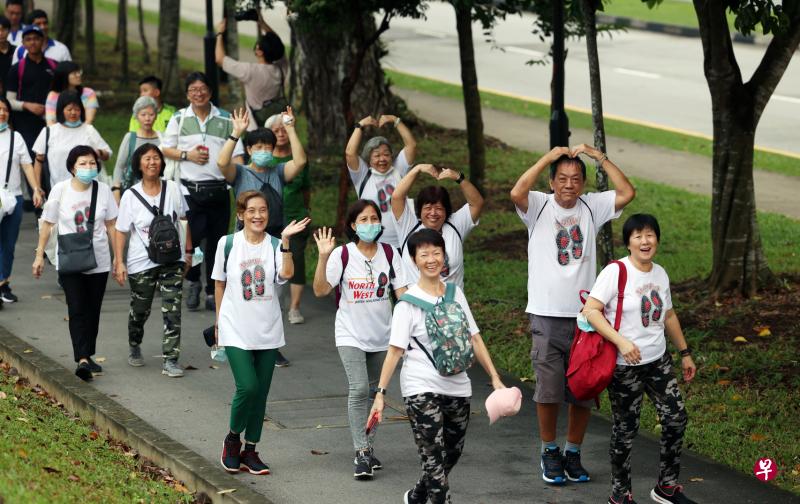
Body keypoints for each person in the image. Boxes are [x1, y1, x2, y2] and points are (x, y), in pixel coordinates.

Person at [509, 145, 635, 485]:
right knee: (549, 389)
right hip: (546, 314)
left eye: (576, 179)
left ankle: (573, 453)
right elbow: (517, 191)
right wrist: (547, 158)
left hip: (585, 318)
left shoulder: (592, 206)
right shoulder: (537, 205)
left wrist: (600, 158)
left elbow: (627, 192)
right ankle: (549, 451)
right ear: (551, 182)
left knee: (584, 386)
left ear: (582, 183)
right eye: (562, 178)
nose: (569, 184)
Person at [368, 229, 506, 503]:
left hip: (457, 385)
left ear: (444, 257)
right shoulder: (406, 305)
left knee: (451, 452)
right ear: (414, 259)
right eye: (424, 254)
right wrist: (380, 394)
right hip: (420, 386)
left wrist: (495, 378)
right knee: (432, 453)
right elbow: (395, 351)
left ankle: (418, 496)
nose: (431, 259)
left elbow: (474, 337)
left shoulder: (456, 295)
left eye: (436, 253)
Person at [581, 214, 697, 504]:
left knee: (676, 418)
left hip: (658, 361)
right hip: (625, 368)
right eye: (638, 236)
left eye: (650, 235)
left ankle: (666, 487)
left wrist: (685, 353)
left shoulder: (660, 273)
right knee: (626, 429)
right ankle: (620, 495)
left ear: (656, 239)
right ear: (629, 242)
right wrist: (620, 341)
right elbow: (591, 310)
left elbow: (668, 315)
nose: (645, 241)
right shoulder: (616, 272)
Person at [214, 190, 310, 475]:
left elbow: (288, 274)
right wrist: (219, 322)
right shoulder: (227, 243)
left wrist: (287, 242)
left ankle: (251, 450)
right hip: (234, 328)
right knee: (248, 387)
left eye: (263, 210)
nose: (258, 215)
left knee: (262, 393)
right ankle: (232, 440)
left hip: (267, 330)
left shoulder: (276, 244)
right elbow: (219, 283)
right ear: (241, 214)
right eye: (251, 210)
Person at [312, 200, 409, 480]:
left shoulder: (390, 253)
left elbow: (402, 294)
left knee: (376, 393)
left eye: (374, 218)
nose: (370, 224)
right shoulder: (342, 254)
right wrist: (322, 256)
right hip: (349, 333)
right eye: (363, 220)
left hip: (383, 336)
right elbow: (320, 290)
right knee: (357, 390)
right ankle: (362, 453)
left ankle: (368, 447)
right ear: (353, 226)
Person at [218, 107, 306, 368]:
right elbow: (222, 163)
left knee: (273, 294)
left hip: (274, 240)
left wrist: (290, 128)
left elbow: (300, 162)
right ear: (249, 150)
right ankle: (238, 340)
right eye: (257, 146)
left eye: (267, 145)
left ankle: (270, 345)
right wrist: (236, 133)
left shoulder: (278, 171)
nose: (263, 150)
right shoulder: (241, 173)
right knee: (242, 291)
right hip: (244, 242)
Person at [32, 145, 118, 381]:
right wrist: (39, 255)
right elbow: (48, 224)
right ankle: (81, 358)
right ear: (72, 167)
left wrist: (119, 258)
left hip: (98, 260)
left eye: (92, 163)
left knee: (93, 309)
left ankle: (87, 354)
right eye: (83, 163)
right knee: (77, 307)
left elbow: (112, 225)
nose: (88, 167)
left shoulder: (103, 191)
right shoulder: (60, 190)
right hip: (69, 259)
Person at [161, 72, 244, 312]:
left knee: (217, 244)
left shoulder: (227, 118)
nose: (198, 93)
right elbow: (166, 148)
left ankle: (212, 290)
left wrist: (238, 176)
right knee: (193, 241)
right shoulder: (179, 118)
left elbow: (237, 154)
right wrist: (188, 155)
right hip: (189, 190)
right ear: (187, 94)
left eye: (202, 89)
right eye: (193, 90)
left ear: (210, 91)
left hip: (219, 189)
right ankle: (194, 281)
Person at [113, 144, 192, 378]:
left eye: (156, 158)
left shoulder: (174, 189)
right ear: (139, 164)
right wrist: (119, 262)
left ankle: (171, 359)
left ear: (162, 162)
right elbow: (120, 231)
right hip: (141, 262)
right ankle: (134, 341)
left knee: (173, 309)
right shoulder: (130, 195)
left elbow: (184, 220)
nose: (152, 162)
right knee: (140, 309)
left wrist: (189, 252)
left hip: (172, 260)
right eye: (146, 158)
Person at [391, 163, 483, 289]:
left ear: (446, 210)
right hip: (417, 305)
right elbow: (397, 197)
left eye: (439, 208)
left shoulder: (455, 224)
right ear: (420, 210)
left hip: (451, 304)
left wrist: (459, 177)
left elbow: (477, 203)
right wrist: (416, 170)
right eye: (428, 208)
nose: (433, 213)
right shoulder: (408, 226)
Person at [344, 114, 416, 248]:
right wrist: (360, 126)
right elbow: (350, 153)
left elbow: (411, 145)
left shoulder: (398, 170)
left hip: (403, 242)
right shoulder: (363, 175)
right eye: (377, 155)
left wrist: (396, 120)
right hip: (374, 244)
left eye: (386, 154)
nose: (382, 159)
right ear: (369, 159)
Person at [265, 112, 311, 326]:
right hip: (269, 219)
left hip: (295, 216)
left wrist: (306, 210)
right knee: (271, 263)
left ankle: (294, 307)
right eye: (276, 130)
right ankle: (270, 304)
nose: (281, 134)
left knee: (297, 262)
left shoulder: (298, 156)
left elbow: (306, 188)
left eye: (284, 129)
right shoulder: (263, 157)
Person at [0, 96, 42, 307]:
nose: (2, 113)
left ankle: (3, 284)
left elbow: (27, 165)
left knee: (8, 244)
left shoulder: (16, 138)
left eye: (5, 109)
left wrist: (35, 188)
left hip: (12, 196)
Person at [215, 15, 288, 129]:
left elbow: (220, 59)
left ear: (259, 52)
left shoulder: (250, 71)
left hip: (255, 125)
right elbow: (278, 44)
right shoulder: (281, 68)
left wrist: (219, 34)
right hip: (276, 124)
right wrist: (262, 22)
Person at [32, 90, 111, 191]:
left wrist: (98, 152)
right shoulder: (49, 132)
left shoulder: (88, 130)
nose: (73, 113)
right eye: (69, 109)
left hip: (88, 190)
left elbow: (107, 154)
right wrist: (37, 188)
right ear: (61, 110)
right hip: (59, 191)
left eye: (77, 109)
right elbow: (38, 160)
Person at [6, 25, 54, 161]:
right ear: (23, 43)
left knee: (50, 159)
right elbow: (9, 100)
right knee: (29, 159)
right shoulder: (17, 69)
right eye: (28, 39)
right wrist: (27, 105)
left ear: (43, 41)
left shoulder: (54, 66)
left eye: (36, 39)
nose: (33, 42)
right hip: (24, 125)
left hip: (50, 123)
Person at [112, 96, 161, 203]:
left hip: (158, 192)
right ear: (136, 116)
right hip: (132, 193)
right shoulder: (130, 138)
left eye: (151, 114)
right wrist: (116, 193)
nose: (147, 119)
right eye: (143, 115)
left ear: (156, 116)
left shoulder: (162, 138)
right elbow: (119, 166)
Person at [45, 61, 99, 125]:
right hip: (59, 133)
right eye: (74, 73)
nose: (78, 75)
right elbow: (50, 122)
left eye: (79, 72)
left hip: (83, 132)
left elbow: (89, 121)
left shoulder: (89, 93)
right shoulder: (53, 96)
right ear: (63, 76)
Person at [0, 16, 17, 95]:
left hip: (14, 94)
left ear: (9, 31)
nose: (1, 33)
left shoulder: (17, 51)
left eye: (3, 30)